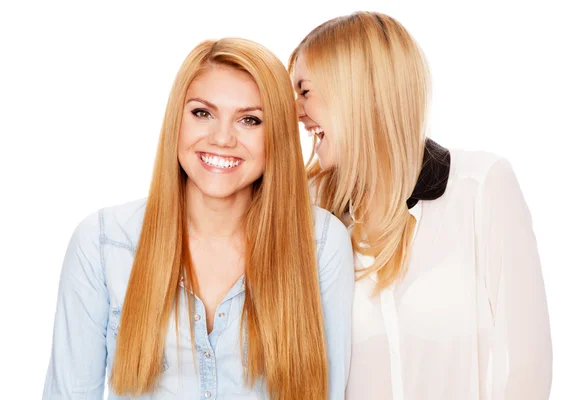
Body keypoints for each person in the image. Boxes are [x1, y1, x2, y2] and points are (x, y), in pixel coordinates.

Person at [42, 37, 354, 400]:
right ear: (177, 119)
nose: (222, 138)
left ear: (278, 137)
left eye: (250, 120)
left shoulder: (320, 243)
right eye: (202, 113)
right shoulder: (102, 243)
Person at [290, 11, 552, 400]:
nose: (295, 112)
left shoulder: (480, 187)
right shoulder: (309, 211)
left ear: (355, 90)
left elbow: (525, 369)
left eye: (305, 91)